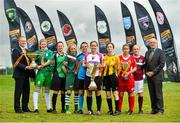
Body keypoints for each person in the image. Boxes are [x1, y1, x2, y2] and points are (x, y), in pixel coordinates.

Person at [12, 36, 35, 113]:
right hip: (19, 74)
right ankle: (17, 108)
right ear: (19, 42)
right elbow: (16, 63)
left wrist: (33, 64)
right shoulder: (16, 50)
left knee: (26, 91)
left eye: (24, 41)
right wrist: (26, 67)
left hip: (26, 74)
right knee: (18, 92)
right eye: (22, 41)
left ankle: (25, 108)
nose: (24, 42)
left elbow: (30, 60)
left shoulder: (26, 50)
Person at [144, 38, 165, 115]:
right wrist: (146, 72)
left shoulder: (161, 52)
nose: (152, 44)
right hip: (149, 77)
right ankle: (154, 109)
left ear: (156, 43)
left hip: (157, 76)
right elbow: (145, 64)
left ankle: (160, 110)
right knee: (152, 93)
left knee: (158, 93)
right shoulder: (147, 52)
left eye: (154, 42)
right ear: (149, 44)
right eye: (151, 43)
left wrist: (153, 72)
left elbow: (161, 64)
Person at [33, 39, 54, 113]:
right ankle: (35, 108)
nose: (43, 45)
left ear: (46, 44)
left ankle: (49, 108)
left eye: (45, 44)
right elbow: (33, 62)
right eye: (42, 44)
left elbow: (49, 61)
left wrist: (42, 65)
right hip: (40, 72)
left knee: (47, 90)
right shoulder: (37, 52)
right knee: (37, 88)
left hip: (48, 72)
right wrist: (37, 66)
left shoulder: (50, 52)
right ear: (40, 45)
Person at [84, 41, 103, 115]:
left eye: (95, 46)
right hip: (88, 76)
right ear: (90, 46)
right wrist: (88, 66)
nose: (93, 47)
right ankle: (89, 110)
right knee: (89, 93)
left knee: (98, 93)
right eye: (92, 46)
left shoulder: (100, 55)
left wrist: (98, 66)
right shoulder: (86, 55)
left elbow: (103, 64)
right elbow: (84, 63)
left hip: (97, 76)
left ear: (97, 46)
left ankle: (98, 110)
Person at [118, 44, 137, 115]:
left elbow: (135, 68)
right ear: (122, 50)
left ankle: (131, 110)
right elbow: (117, 68)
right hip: (121, 78)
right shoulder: (119, 57)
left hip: (129, 78)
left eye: (127, 49)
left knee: (131, 93)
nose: (125, 50)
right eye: (124, 49)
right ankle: (119, 109)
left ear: (129, 50)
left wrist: (128, 73)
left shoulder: (132, 58)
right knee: (121, 93)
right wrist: (122, 73)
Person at [103, 42, 121, 115]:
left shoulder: (116, 57)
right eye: (108, 47)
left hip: (113, 77)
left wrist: (117, 75)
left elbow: (119, 68)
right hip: (106, 77)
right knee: (108, 94)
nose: (109, 48)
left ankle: (117, 110)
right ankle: (110, 110)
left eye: (111, 47)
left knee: (115, 93)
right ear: (106, 48)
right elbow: (103, 67)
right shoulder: (104, 57)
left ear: (113, 48)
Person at [51, 41, 66, 113]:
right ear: (57, 47)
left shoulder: (66, 55)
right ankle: (54, 109)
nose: (60, 47)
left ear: (63, 47)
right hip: (57, 76)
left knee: (63, 93)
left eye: (61, 46)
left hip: (64, 76)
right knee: (56, 92)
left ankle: (63, 109)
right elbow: (52, 65)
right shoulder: (54, 56)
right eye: (59, 46)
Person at [63, 44, 78, 114]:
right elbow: (63, 67)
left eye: (74, 48)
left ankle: (76, 109)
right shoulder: (67, 56)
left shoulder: (77, 56)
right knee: (69, 92)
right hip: (70, 75)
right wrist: (68, 74)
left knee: (76, 92)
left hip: (77, 76)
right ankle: (67, 110)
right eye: (72, 49)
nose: (73, 50)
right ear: (69, 49)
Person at [75, 42, 88, 114]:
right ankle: (80, 109)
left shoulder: (90, 55)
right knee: (81, 92)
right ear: (81, 48)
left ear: (87, 47)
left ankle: (90, 109)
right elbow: (77, 67)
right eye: (83, 46)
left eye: (85, 46)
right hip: (81, 77)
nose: (84, 48)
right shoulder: (78, 56)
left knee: (89, 93)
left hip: (89, 76)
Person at [132, 45, 145, 114]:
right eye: (134, 49)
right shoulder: (131, 58)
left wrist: (144, 75)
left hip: (139, 79)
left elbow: (144, 68)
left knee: (140, 94)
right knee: (131, 94)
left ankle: (140, 109)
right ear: (133, 50)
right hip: (131, 79)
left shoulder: (143, 58)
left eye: (137, 49)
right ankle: (131, 109)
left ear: (139, 50)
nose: (136, 50)